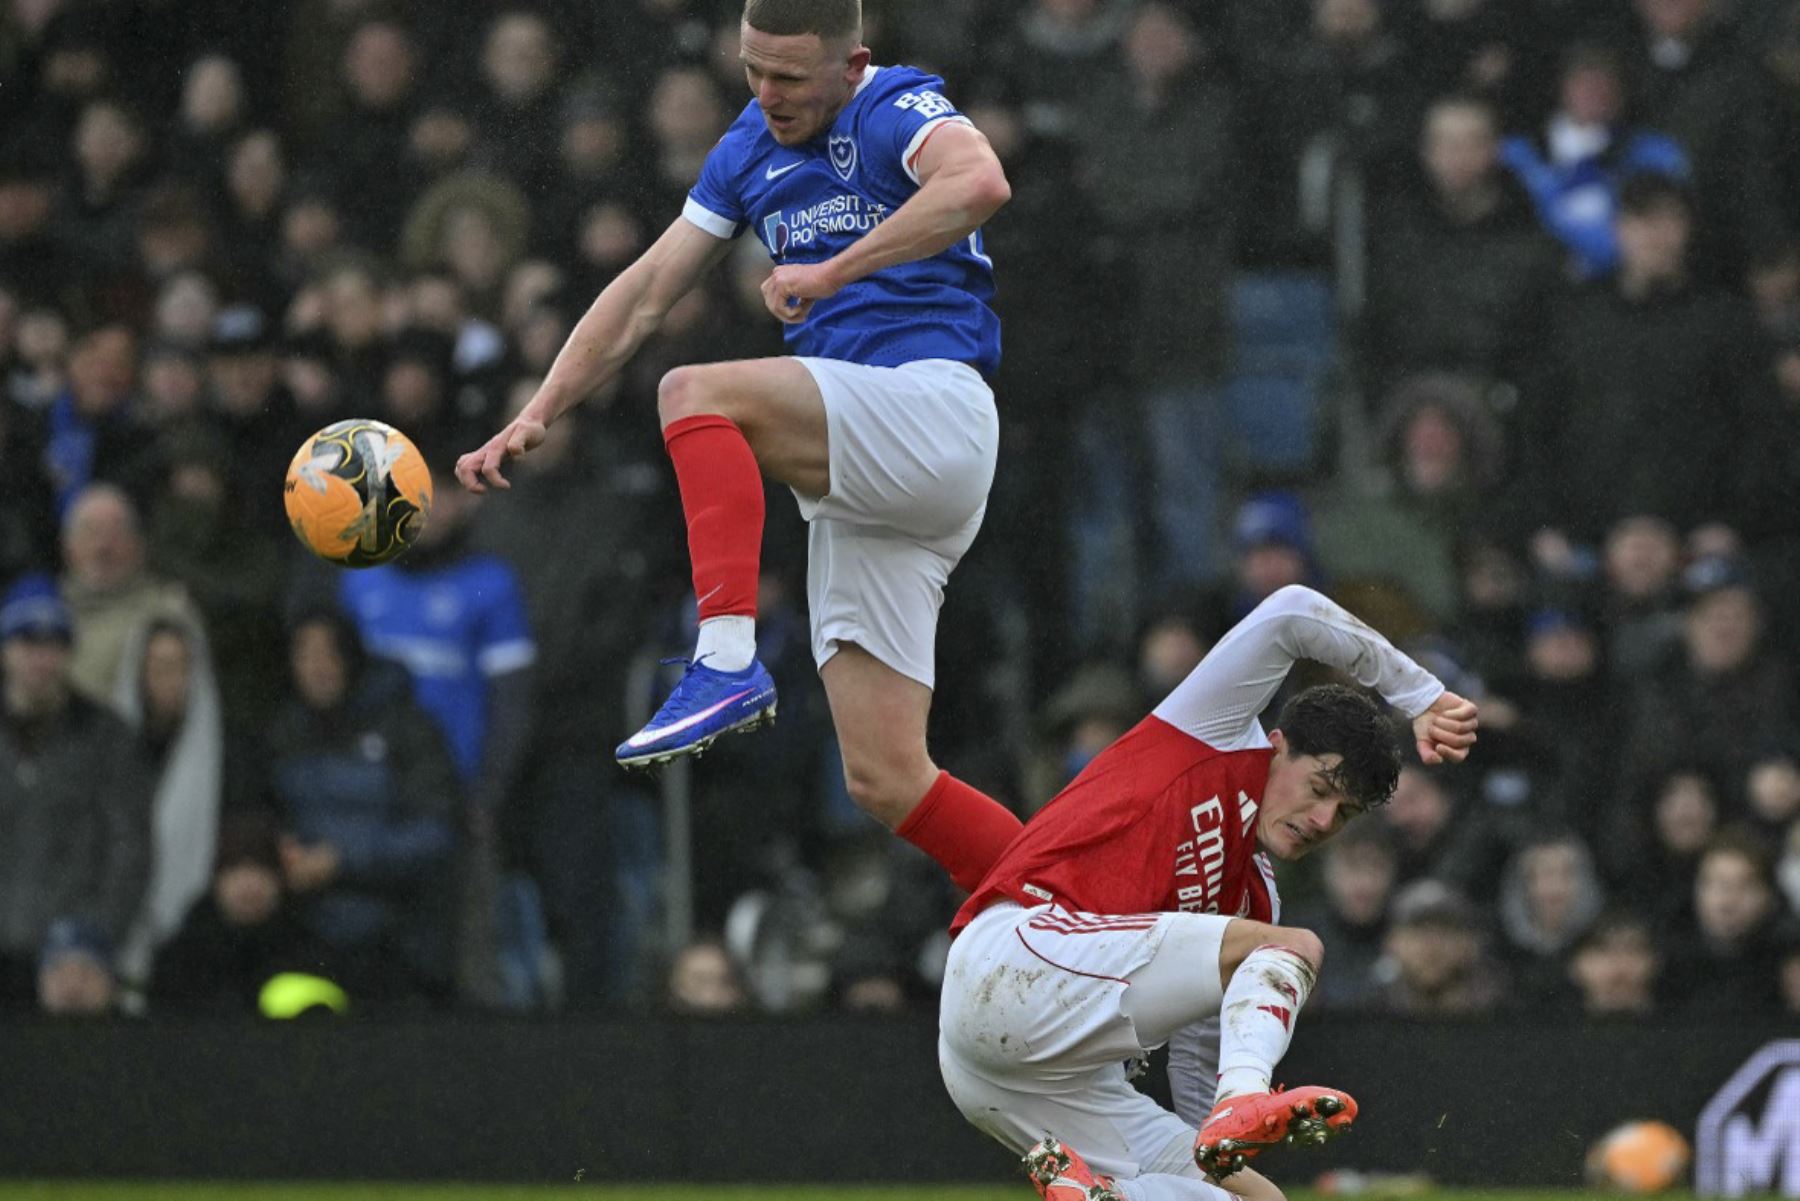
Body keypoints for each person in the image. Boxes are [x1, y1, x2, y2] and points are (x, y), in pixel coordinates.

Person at [454, 0, 1022, 892]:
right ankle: (1078, 914)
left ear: (851, 63)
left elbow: (980, 184)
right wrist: (542, 408)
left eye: (790, 76)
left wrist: (833, 271)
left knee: (694, 392)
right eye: (753, 70)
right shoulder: (748, 146)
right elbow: (644, 291)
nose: (767, 93)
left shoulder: (894, 106)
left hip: (931, 409)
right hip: (862, 478)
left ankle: (724, 656)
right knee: (885, 778)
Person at [937, 584, 1478, 1199]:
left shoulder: (1253, 908)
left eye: (1346, 814)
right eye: (1321, 788)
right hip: (1009, 960)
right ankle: (1248, 1095)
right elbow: (1293, 612)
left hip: (1019, 1079)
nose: (1325, 821)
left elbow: (1197, 1063)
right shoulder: (1213, 729)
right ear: (1278, 747)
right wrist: (1423, 696)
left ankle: (1103, 1197)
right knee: (1296, 945)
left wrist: (1217, 1163)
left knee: (1257, 1199)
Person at [0, 573, 153, 1015]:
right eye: (28, 642)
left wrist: (93, 938)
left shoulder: (105, 735)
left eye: (54, 645)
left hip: (71, 966)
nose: (41, 659)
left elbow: (130, 846)